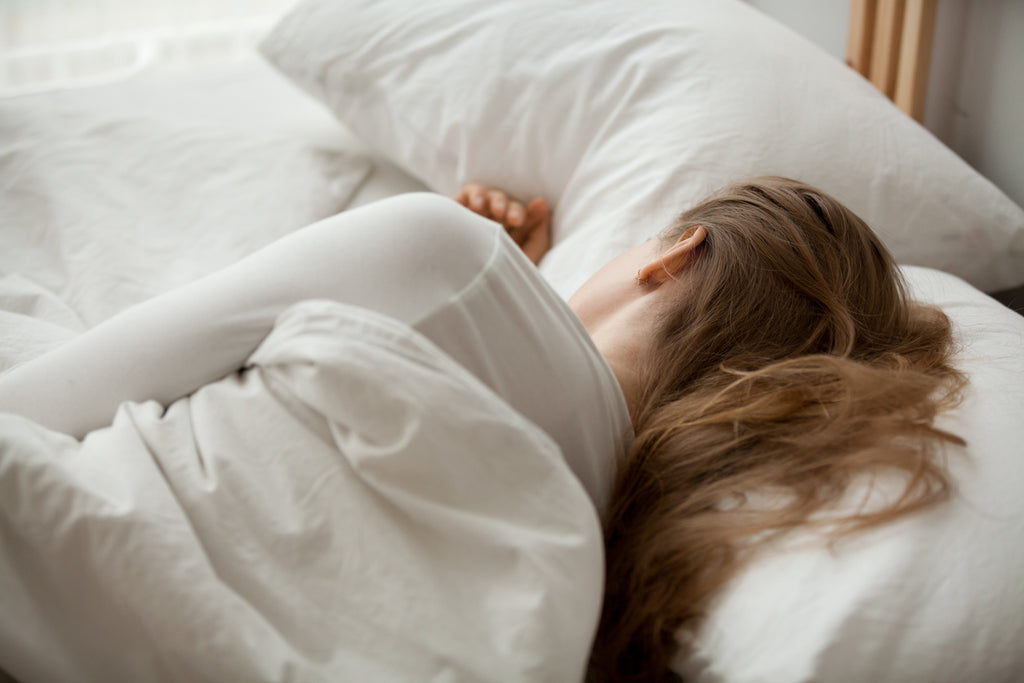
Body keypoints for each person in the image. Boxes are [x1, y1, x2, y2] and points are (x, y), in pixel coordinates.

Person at [0, 177, 964, 681]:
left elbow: (50, 398)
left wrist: (472, 266)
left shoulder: (442, 252)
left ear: (674, 255)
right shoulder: (610, 555)